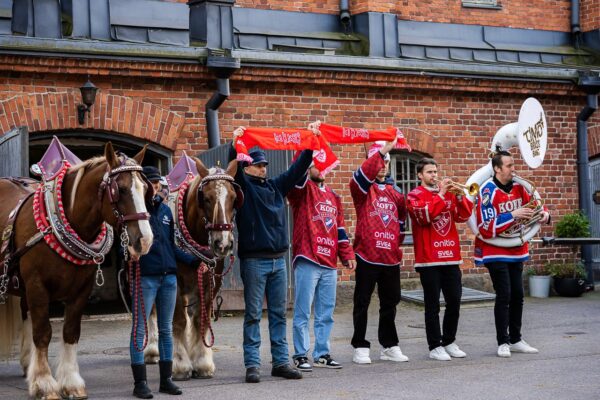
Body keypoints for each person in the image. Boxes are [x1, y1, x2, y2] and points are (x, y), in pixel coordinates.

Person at [228, 126, 316, 383]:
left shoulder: (276, 186)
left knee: (279, 315)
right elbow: (235, 165)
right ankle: (252, 364)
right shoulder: (243, 187)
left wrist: (310, 145)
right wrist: (235, 145)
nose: (263, 169)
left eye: (264, 165)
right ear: (247, 168)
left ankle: (280, 363)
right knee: (253, 315)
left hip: (279, 260)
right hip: (255, 261)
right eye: (258, 165)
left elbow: (297, 170)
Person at [474, 148, 550, 358]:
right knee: (505, 294)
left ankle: (516, 339)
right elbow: (485, 226)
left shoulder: (520, 187)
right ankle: (503, 341)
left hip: (516, 248)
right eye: (509, 166)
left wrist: (544, 215)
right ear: (497, 169)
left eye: (513, 164)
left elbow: (536, 206)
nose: (513, 169)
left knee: (518, 295)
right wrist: (513, 214)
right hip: (495, 250)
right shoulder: (487, 190)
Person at [129, 166, 197, 399]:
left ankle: (166, 380)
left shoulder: (166, 211)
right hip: (145, 277)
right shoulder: (136, 210)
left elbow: (171, 247)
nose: (156, 187)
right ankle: (140, 383)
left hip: (169, 277)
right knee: (139, 329)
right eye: (152, 183)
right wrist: (129, 251)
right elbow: (124, 244)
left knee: (166, 329)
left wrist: (195, 261)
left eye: (158, 183)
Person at [288, 149, 356, 372]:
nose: (321, 168)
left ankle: (322, 354)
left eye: (323, 164)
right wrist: (309, 148)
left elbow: (340, 229)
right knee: (303, 312)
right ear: (308, 167)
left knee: (326, 313)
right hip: (307, 258)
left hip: (329, 262)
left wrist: (347, 254)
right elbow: (296, 173)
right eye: (316, 164)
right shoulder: (301, 190)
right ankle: (300, 354)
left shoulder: (334, 197)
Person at [349, 137, 409, 364]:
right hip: (367, 255)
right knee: (362, 302)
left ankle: (389, 345)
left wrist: (393, 244)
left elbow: (401, 222)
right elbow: (360, 177)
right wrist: (382, 152)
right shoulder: (362, 190)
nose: (383, 166)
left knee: (390, 303)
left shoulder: (396, 192)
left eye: (387, 162)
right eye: (379, 161)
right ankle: (360, 345)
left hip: (390, 258)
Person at [407, 158, 473, 361]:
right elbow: (424, 217)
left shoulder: (448, 194)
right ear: (420, 175)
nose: (434, 175)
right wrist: (442, 194)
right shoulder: (414, 195)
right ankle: (435, 346)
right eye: (429, 172)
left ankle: (449, 341)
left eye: (435, 171)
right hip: (429, 260)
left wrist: (460, 196)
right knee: (432, 305)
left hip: (451, 257)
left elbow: (463, 216)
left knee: (454, 301)